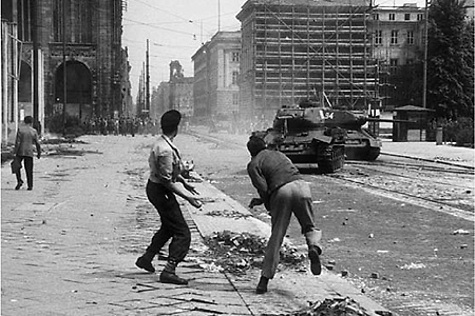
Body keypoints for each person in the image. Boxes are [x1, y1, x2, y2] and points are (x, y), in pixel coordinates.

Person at [246, 135, 322, 294]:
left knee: (277, 235)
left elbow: (263, 187)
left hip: (281, 192)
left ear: (250, 152)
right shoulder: (279, 154)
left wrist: (268, 204)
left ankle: (264, 280)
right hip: (302, 186)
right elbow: (284, 173)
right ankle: (314, 247)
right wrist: (263, 200)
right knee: (309, 226)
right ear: (265, 145)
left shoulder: (253, 164)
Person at [135, 110, 202, 285]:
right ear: (177, 128)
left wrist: (183, 182)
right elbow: (165, 180)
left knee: (168, 227)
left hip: (156, 188)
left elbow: (167, 173)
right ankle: (169, 270)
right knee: (182, 232)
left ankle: (147, 258)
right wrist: (188, 198)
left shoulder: (162, 143)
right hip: (160, 191)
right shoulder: (165, 150)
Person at [13, 116, 42, 191]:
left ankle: (19, 180)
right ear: (31, 122)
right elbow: (37, 143)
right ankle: (30, 185)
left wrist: (15, 152)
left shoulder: (20, 130)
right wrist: (39, 153)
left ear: (24, 121)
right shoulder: (33, 131)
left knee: (16, 166)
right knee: (29, 169)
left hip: (20, 151)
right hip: (29, 152)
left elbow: (18, 142)